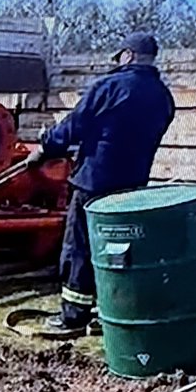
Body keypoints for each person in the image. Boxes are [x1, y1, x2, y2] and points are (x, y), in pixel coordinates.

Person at [26, 32, 176, 332]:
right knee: (117, 248)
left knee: (80, 246)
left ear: (128, 55)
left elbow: (74, 125)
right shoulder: (163, 96)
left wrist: (44, 148)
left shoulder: (108, 87)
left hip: (94, 182)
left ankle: (74, 315)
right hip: (133, 186)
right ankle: (109, 310)